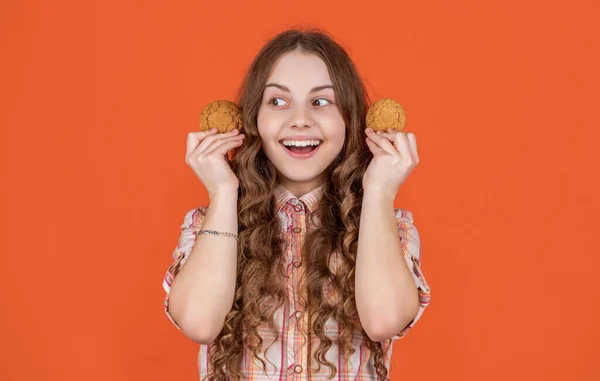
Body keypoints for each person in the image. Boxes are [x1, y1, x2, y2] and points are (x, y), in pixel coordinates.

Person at [162, 27, 431, 381]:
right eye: (278, 101)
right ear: (252, 119)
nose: (300, 119)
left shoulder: (386, 225)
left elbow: (383, 322)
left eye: (321, 101)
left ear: (351, 119)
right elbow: (199, 323)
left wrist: (379, 191)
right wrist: (223, 192)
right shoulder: (208, 223)